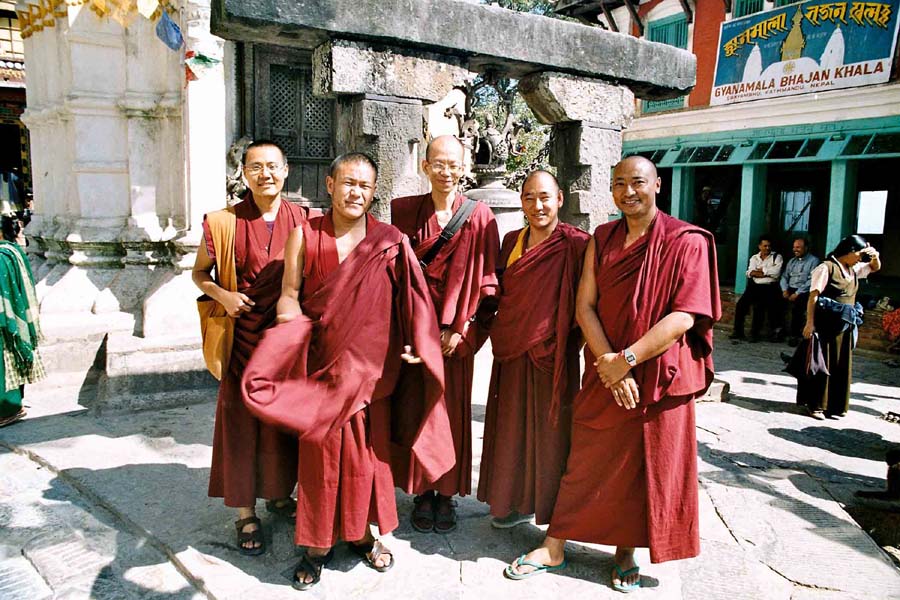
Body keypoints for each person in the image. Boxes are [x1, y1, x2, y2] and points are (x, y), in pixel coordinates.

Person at [240, 152, 454, 590]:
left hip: (370, 370)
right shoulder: (304, 235)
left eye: (365, 186)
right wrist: (289, 320)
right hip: (322, 366)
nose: (356, 192)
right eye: (349, 183)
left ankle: (361, 535)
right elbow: (289, 293)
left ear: (373, 193)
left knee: (366, 459)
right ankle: (317, 545)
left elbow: (411, 301)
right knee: (319, 460)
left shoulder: (389, 241)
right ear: (330, 185)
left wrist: (418, 342)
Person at [505, 156, 720, 593]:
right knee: (584, 459)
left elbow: (684, 315)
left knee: (644, 466)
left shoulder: (687, 241)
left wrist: (628, 359)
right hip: (606, 371)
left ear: (657, 185)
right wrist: (610, 364)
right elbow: (584, 305)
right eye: (619, 184)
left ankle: (625, 551)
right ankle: (554, 544)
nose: (628, 192)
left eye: (637, 182)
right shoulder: (602, 238)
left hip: (659, 373)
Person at [192, 140, 309, 556]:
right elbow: (200, 274)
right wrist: (222, 296)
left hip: (285, 343)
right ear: (243, 173)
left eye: (272, 166)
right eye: (255, 167)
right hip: (242, 338)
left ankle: (278, 494)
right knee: (240, 425)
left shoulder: (305, 219)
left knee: (281, 423)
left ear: (286, 170)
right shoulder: (223, 222)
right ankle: (245, 512)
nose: (265, 174)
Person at [391, 135, 500, 534]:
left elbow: (489, 279)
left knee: (451, 414)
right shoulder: (404, 212)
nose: (446, 171)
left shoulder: (480, 216)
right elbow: (395, 277)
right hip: (416, 333)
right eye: (439, 163)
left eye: (453, 164)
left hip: (455, 337)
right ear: (425, 166)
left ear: (463, 167)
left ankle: (447, 493)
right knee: (418, 409)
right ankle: (422, 492)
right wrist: (410, 333)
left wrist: (463, 329)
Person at [477, 170, 589, 529]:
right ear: (522, 202)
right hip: (512, 349)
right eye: (529, 198)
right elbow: (499, 291)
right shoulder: (511, 241)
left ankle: (552, 508)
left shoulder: (577, 244)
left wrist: (570, 342)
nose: (537, 205)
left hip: (553, 355)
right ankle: (511, 501)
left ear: (559, 199)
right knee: (510, 428)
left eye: (545, 197)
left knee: (550, 433)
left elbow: (588, 301)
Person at [797, 234, 881, 420]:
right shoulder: (826, 268)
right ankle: (816, 405)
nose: (860, 259)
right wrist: (810, 323)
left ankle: (834, 406)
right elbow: (813, 297)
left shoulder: (853, 269)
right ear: (850, 251)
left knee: (840, 365)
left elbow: (874, 267)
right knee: (821, 365)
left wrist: (874, 256)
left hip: (844, 327)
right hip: (825, 325)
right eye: (859, 254)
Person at [0, 215, 44, 428]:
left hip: (5, 318)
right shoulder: (12, 252)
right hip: (8, 317)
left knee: (5, 362)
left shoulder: (4, 256)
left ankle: (8, 410)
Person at [731, 235, 783, 342]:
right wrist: (766, 272)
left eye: (769, 246)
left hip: (769, 287)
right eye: (765, 246)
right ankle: (738, 331)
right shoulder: (754, 258)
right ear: (759, 246)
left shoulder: (777, 257)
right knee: (741, 305)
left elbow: (776, 273)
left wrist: (761, 271)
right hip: (754, 286)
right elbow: (750, 273)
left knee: (759, 307)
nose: (767, 248)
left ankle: (754, 334)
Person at [779, 237, 820, 346]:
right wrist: (784, 290)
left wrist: (797, 293)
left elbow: (811, 280)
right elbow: (784, 276)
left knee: (798, 308)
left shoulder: (814, 261)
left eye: (798, 247)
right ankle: (778, 330)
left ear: (806, 248)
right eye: (794, 247)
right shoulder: (792, 261)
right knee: (774, 301)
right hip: (790, 288)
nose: (795, 250)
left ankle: (795, 335)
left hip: (804, 290)